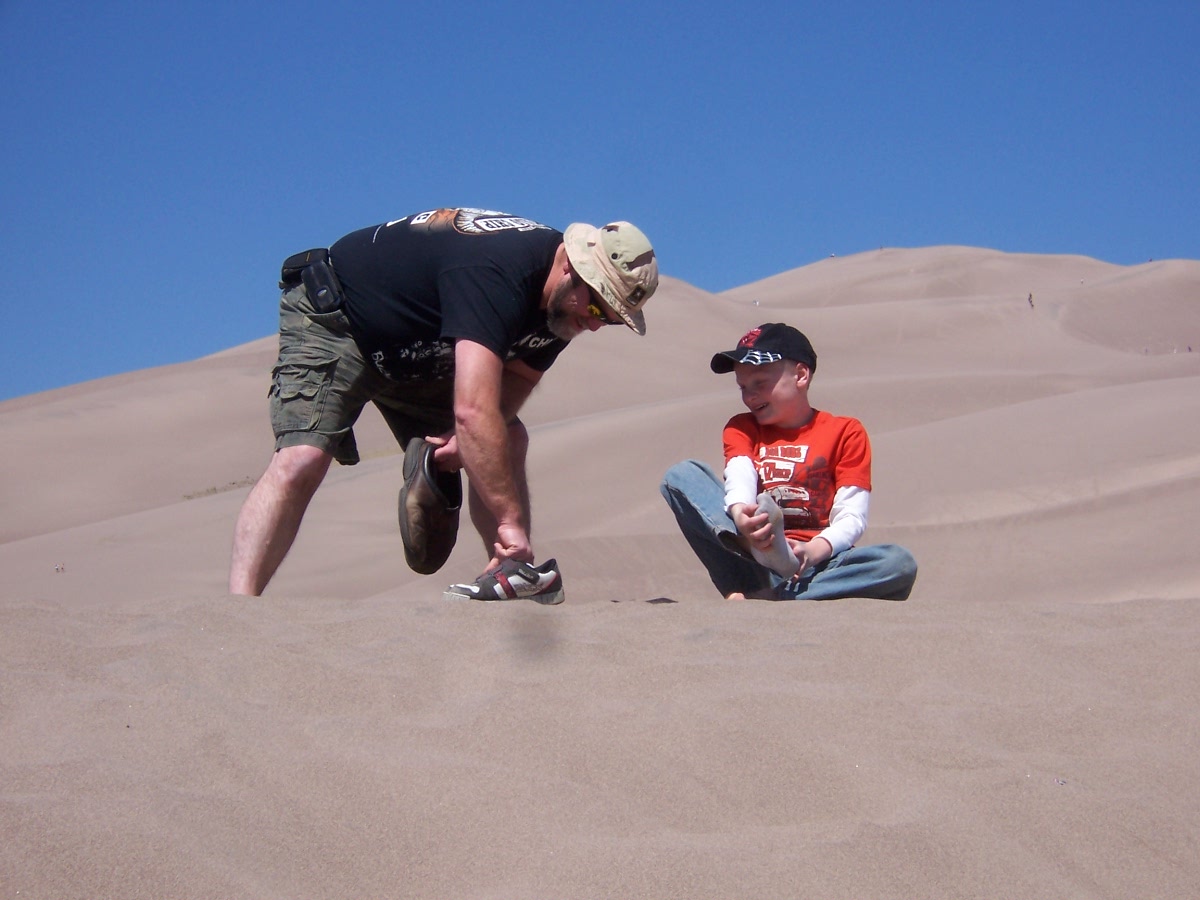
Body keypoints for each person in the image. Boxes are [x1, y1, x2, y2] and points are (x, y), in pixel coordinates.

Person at [230, 208, 658, 599]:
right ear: (570, 266)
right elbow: (473, 411)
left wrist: (462, 440)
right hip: (340, 321)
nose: (595, 325)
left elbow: (520, 378)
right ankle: (238, 611)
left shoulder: (562, 310)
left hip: (421, 351)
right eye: (597, 308)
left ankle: (512, 576)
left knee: (506, 437)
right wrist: (508, 518)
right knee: (302, 458)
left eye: (610, 320)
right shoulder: (498, 271)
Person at [660, 323, 917, 601]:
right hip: (753, 555)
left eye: (760, 383)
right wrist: (742, 515)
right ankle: (773, 589)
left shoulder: (845, 432)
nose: (749, 396)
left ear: (801, 375)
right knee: (681, 476)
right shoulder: (741, 427)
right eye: (742, 387)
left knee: (897, 563)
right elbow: (740, 473)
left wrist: (813, 550)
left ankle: (775, 597)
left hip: (819, 563)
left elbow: (851, 515)